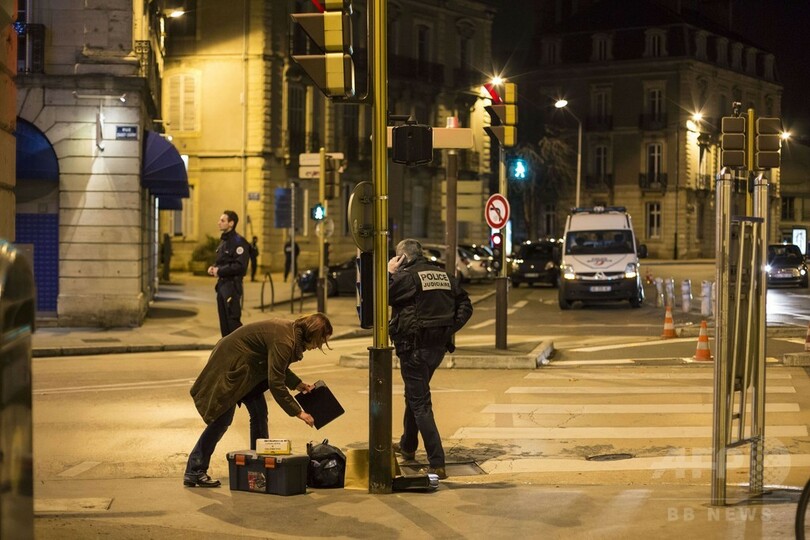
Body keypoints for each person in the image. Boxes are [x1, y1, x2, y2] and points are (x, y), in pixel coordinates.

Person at [183, 313, 333, 488]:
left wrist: (297, 384)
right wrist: (298, 412)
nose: (318, 346)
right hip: (233, 366)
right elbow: (275, 382)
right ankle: (194, 470)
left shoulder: (291, 334)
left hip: (250, 371)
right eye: (320, 341)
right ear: (313, 334)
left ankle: (259, 467)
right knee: (222, 420)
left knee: (259, 413)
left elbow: (276, 364)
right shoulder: (285, 340)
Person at [387, 239, 473, 480]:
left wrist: (388, 272)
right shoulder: (443, 276)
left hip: (413, 348)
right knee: (414, 396)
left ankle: (437, 463)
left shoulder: (408, 278)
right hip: (436, 348)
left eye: (398, 258)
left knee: (420, 403)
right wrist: (449, 328)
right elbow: (465, 304)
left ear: (403, 258)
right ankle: (408, 445)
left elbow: (380, 296)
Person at [208, 211, 250, 337]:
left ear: (231, 223)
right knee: (224, 324)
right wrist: (214, 268)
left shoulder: (239, 242)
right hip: (221, 286)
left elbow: (240, 266)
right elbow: (222, 261)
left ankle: (244, 352)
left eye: (222, 220)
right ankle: (228, 354)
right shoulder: (224, 241)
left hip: (232, 286)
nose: (219, 223)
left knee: (233, 323)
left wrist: (220, 271)